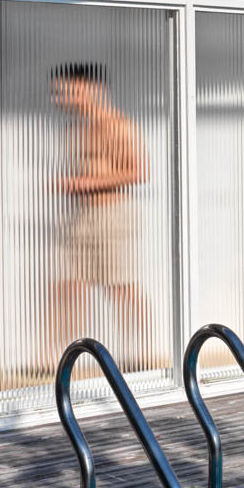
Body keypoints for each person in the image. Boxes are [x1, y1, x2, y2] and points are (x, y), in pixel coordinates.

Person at [50, 63, 150, 370]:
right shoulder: (77, 127)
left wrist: (82, 183)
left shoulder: (115, 124)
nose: (59, 99)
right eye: (57, 93)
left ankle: (139, 356)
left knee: (119, 286)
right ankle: (63, 359)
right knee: (70, 285)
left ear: (90, 88)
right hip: (82, 214)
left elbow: (139, 170)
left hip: (110, 213)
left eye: (66, 92)